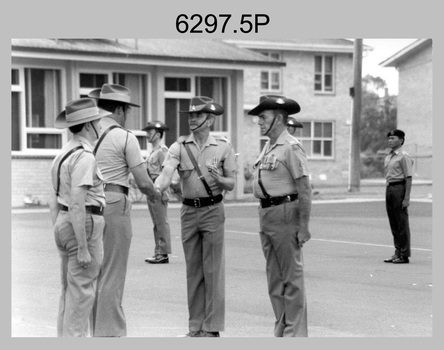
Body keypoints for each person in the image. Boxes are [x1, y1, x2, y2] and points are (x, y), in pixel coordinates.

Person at [154, 96, 237, 337]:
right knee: (194, 271)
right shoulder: (179, 146)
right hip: (188, 211)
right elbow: (167, 172)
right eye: (190, 115)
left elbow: (231, 183)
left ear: (210, 119)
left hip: (213, 210)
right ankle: (195, 327)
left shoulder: (223, 147)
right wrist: (157, 187)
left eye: (197, 115)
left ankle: (211, 329)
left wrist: (220, 179)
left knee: (213, 270)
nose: (192, 120)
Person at [89, 84, 159, 337]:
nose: (127, 114)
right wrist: (156, 194)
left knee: (94, 269)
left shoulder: (89, 133)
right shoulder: (124, 137)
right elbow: (142, 181)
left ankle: (95, 328)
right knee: (113, 270)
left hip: (89, 202)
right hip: (114, 200)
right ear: (119, 108)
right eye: (126, 109)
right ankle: (111, 332)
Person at [248, 95, 312, 337]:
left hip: (286, 213)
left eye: (263, 117)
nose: (259, 122)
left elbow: (304, 188)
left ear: (279, 118)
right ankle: (282, 329)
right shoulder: (269, 146)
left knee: (291, 279)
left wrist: (303, 226)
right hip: (267, 214)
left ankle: (295, 334)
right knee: (275, 280)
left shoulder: (291, 147)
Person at [49, 98, 110, 336]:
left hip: (65, 223)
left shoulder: (62, 154)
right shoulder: (85, 156)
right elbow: (77, 202)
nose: (101, 127)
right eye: (98, 122)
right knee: (83, 292)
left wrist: (61, 230)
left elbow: (53, 199)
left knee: (69, 293)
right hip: (83, 224)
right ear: (87, 126)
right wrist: (82, 246)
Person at [142, 121, 172, 264]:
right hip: (151, 189)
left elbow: (167, 172)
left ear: (158, 134)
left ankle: (163, 253)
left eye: (150, 131)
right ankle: (158, 252)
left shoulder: (162, 151)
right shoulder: (153, 151)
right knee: (156, 223)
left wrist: (160, 189)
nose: (147, 134)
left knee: (161, 222)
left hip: (158, 189)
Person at [383, 129, 413, 264]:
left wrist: (406, 198)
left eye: (393, 138)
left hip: (399, 188)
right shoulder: (389, 156)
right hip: (389, 188)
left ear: (401, 140)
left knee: (401, 222)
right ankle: (397, 251)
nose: (390, 141)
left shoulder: (403, 156)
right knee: (393, 222)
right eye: (389, 138)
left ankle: (404, 254)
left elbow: (408, 178)